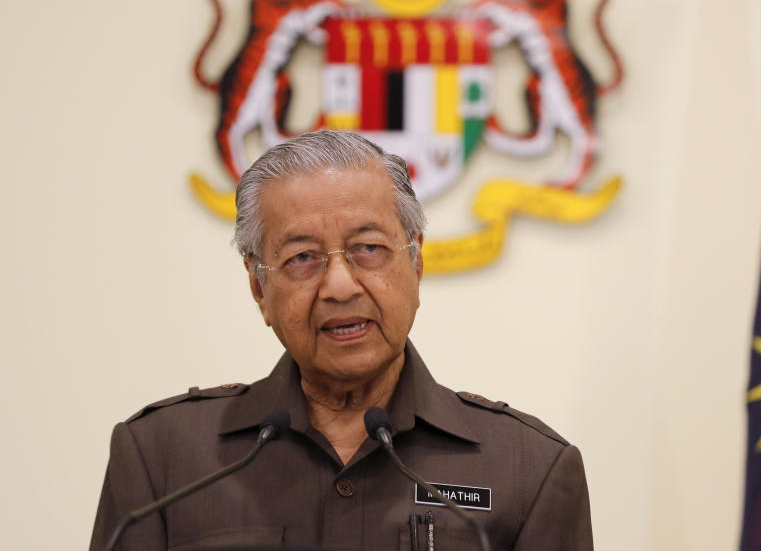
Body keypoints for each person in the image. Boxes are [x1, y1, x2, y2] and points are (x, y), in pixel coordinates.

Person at [90, 131, 593, 550]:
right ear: (259, 287)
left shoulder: (529, 471)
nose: (339, 286)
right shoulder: (164, 459)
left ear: (415, 262)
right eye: (302, 258)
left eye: (368, 249)